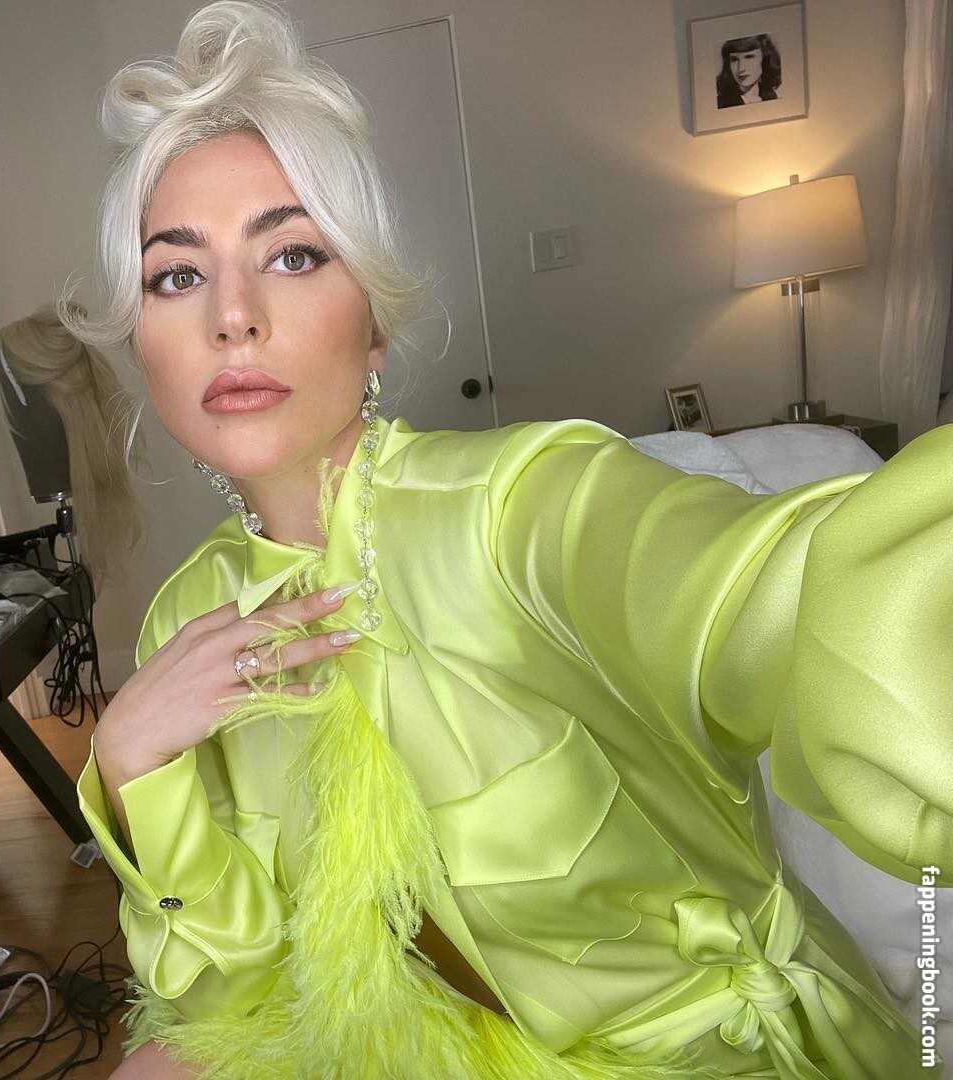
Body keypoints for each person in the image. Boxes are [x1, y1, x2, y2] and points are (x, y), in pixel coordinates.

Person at [63, 4, 951, 1077]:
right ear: (142, 342)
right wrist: (129, 761)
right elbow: (227, 995)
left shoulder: (520, 504)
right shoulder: (186, 615)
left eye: (292, 255)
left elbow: (774, 589)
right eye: (177, 274)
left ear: (373, 322)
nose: (232, 315)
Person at [717, 34, 782, 108]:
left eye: (749, 57)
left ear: (765, 59)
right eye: (734, 59)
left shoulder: (773, 96)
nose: (741, 68)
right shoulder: (722, 103)